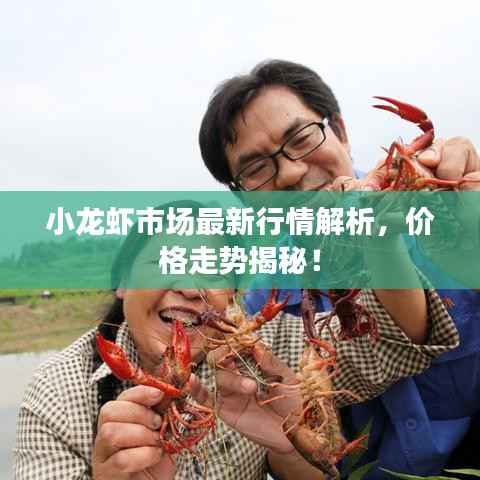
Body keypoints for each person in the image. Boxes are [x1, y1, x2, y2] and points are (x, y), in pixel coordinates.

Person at [14, 201, 458, 480]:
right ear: (123, 282)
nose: (190, 288)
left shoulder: (265, 348)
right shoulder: (58, 393)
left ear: (233, 294)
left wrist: (291, 447)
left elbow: (398, 344)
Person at [198, 59, 480, 478]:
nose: (291, 172)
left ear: (342, 133)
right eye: (256, 169)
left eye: (301, 138)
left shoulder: (444, 214)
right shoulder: (264, 304)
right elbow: (297, 442)